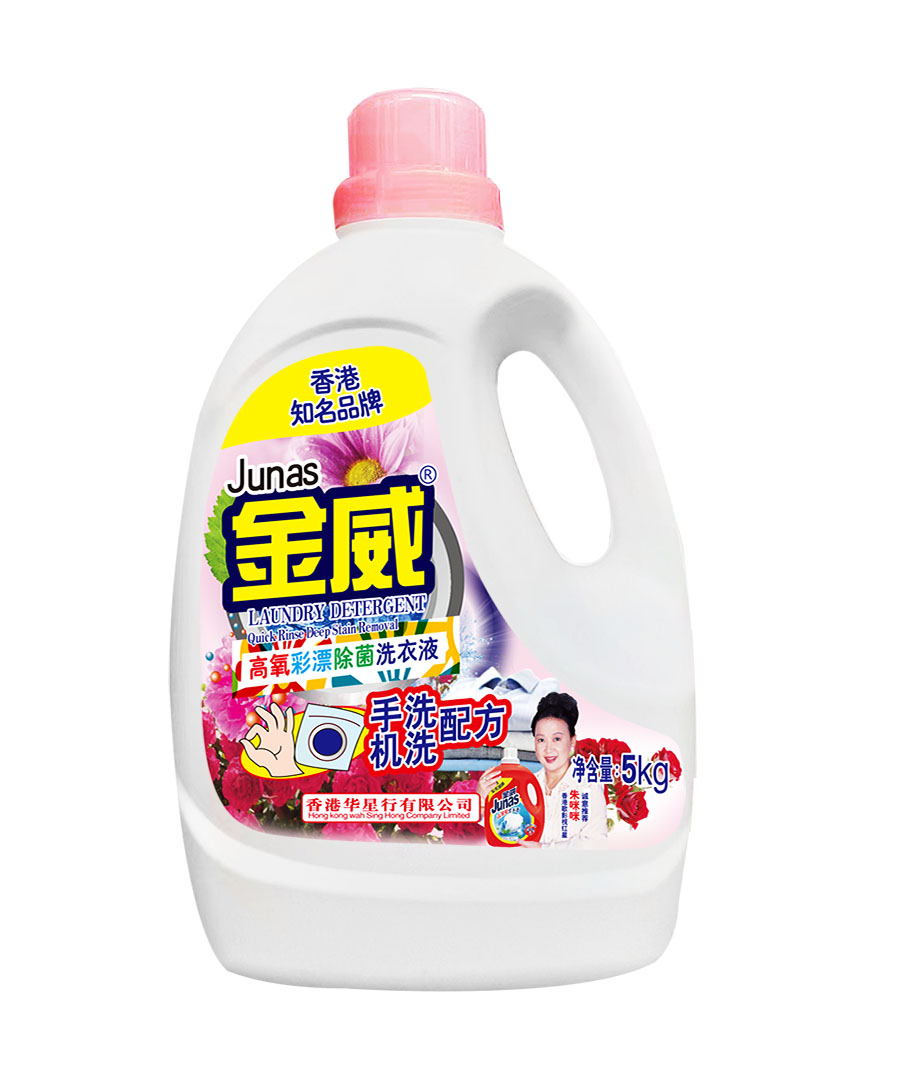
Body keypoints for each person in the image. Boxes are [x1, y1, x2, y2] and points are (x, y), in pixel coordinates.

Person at [477, 691, 608, 848]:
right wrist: (482, 799)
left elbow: (595, 844)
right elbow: (502, 828)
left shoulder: (588, 787)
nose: (548, 749)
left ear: (572, 741)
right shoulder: (526, 784)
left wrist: (543, 849)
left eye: (557, 739)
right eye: (541, 740)